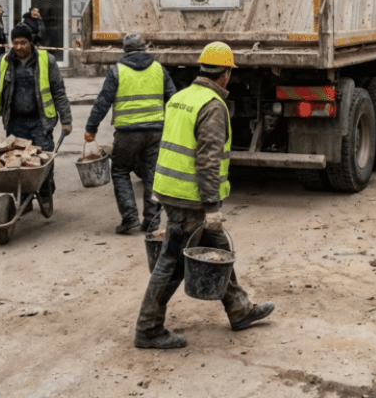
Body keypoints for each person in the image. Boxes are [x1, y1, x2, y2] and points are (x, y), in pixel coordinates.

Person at [134, 41, 274, 349]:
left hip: (171, 190)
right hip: (190, 198)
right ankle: (148, 328)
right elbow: (208, 160)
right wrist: (212, 208)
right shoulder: (212, 106)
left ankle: (240, 310)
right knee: (171, 264)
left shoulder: (182, 97)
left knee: (219, 246)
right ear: (225, 74)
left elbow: (169, 146)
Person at [84, 32, 177, 234]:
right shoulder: (158, 69)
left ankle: (130, 219)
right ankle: (152, 222)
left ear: (125, 50)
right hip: (155, 132)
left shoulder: (118, 70)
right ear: (145, 48)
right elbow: (173, 98)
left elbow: (103, 101)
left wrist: (91, 128)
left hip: (127, 132)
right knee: (152, 175)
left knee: (120, 171)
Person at [0, 23, 72, 203]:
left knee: (44, 158)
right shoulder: (4, 62)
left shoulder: (47, 60)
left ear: (30, 42)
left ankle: (46, 189)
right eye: (15, 43)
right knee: (16, 161)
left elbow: (59, 92)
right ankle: (23, 194)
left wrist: (66, 120)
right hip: (16, 122)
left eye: (23, 42)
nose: (19, 47)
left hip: (41, 120)